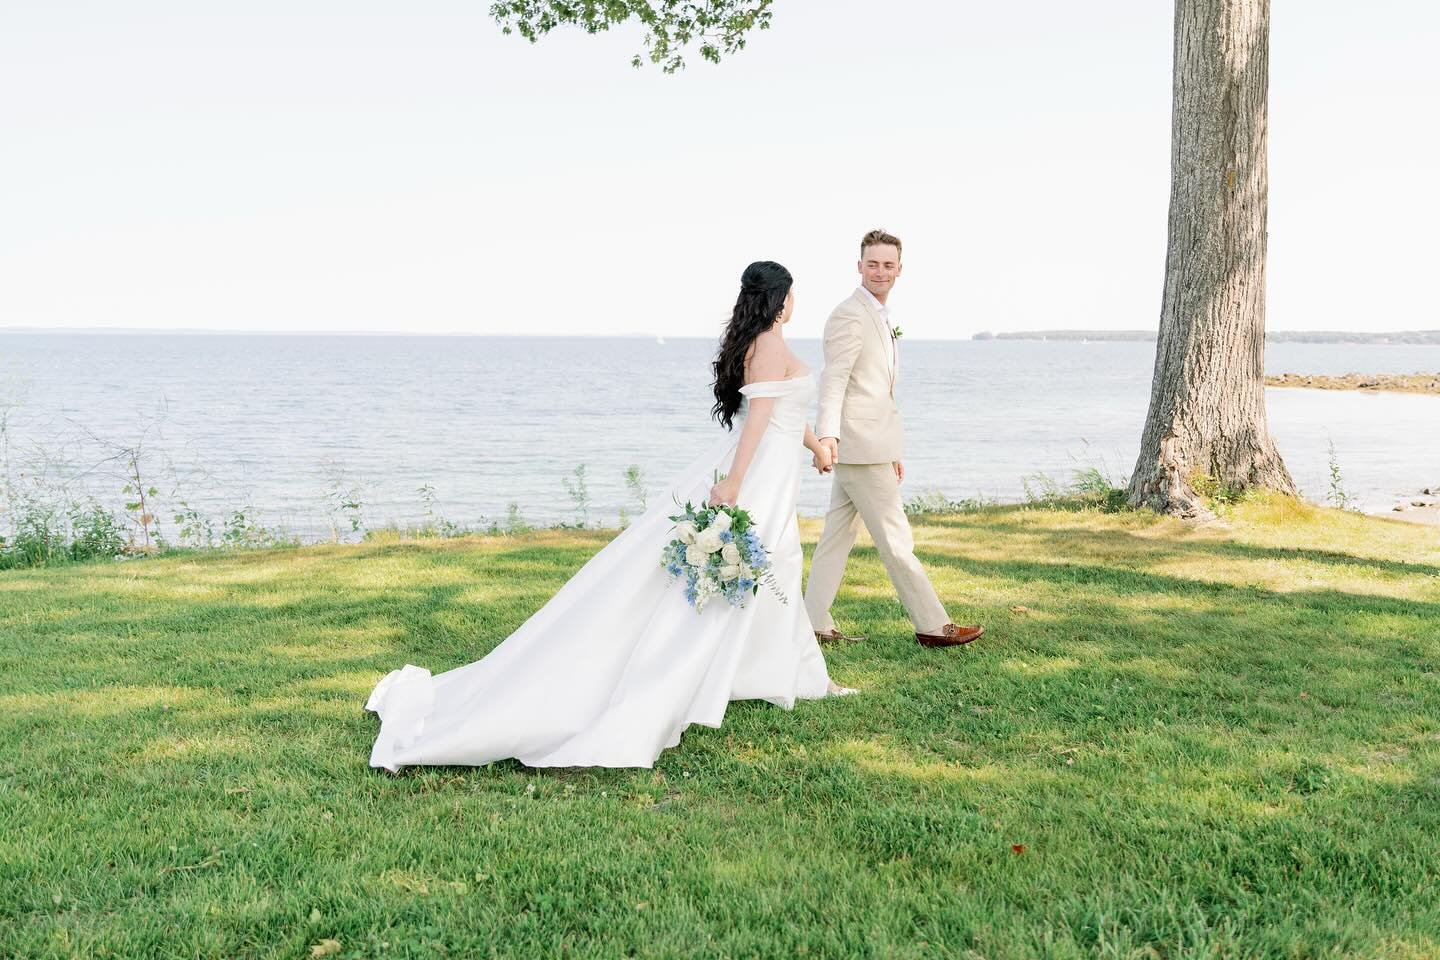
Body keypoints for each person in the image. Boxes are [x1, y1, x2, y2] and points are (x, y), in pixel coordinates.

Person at [366, 261, 855, 772]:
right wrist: (733, 483)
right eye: (794, 293)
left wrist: (818, 446)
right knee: (756, 569)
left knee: (774, 570)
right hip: (758, 476)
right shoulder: (770, 345)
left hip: (774, 472)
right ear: (782, 298)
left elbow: (782, 412)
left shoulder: (759, 342)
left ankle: (778, 671)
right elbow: (757, 421)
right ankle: (715, 675)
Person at [804, 229, 986, 649]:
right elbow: (835, 380)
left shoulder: (880, 316)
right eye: (872, 263)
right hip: (857, 445)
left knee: (836, 536)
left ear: (899, 270)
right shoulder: (850, 314)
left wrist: (893, 450)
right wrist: (827, 435)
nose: (880, 271)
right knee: (897, 540)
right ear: (859, 266)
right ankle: (932, 625)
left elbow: (878, 392)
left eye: (888, 265)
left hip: (872, 445)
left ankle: (811, 621)